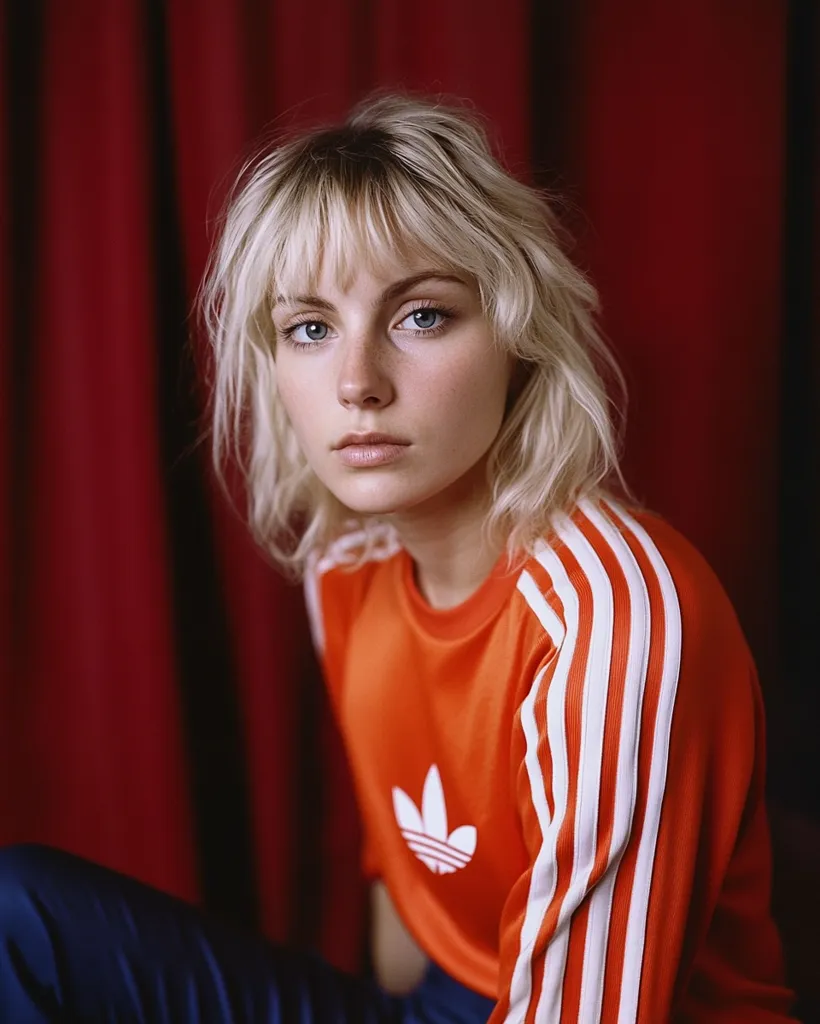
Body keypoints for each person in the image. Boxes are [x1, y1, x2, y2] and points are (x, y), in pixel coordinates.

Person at [0, 93, 798, 1022]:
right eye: (310, 328)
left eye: (420, 316)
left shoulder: (616, 616)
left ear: (519, 337)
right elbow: (408, 890)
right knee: (22, 916)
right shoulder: (344, 570)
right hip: (447, 1007)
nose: (356, 384)